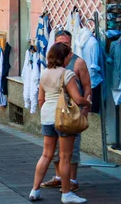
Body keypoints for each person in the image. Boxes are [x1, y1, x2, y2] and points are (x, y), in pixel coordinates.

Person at [29, 43, 91, 204]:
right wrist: (88, 102)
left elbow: (40, 99)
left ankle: (35, 190)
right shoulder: (67, 74)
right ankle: (66, 193)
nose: (71, 57)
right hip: (63, 118)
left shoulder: (44, 73)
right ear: (64, 57)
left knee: (46, 154)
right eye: (69, 55)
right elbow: (77, 99)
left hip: (47, 116)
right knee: (65, 157)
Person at [41, 30, 92, 192]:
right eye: (60, 43)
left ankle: (72, 180)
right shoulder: (51, 64)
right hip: (53, 113)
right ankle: (58, 177)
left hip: (72, 111)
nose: (63, 46)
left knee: (71, 149)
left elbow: (87, 87)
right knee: (55, 149)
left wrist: (85, 108)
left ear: (71, 44)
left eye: (66, 43)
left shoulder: (78, 63)